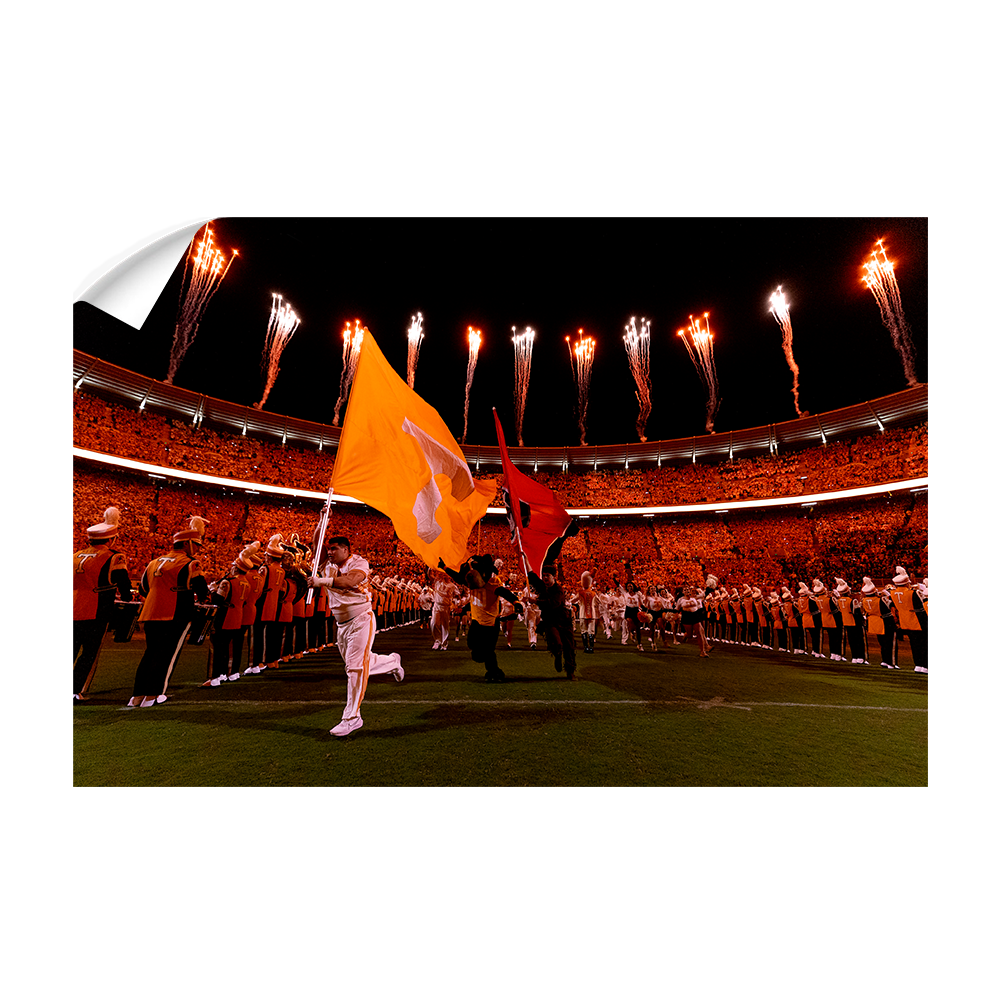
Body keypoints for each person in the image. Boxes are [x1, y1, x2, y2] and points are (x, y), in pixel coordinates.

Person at [308, 535, 404, 736]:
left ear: (346, 549)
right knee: (360, 663)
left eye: (335, 549)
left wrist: (321, 581)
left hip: (361, 618)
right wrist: (320, 521)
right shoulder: (326, 563)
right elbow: (317, 547)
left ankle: (352, 718)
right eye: (329, 549)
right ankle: (392, 662)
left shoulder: (359, 562)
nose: (331, 552)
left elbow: (349, 581)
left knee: (354, 668)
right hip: (341, 624)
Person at [127, 516, 211, 708]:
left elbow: (142, 589)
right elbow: (202, 590)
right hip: (176, 613)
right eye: (196, 545)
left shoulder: (154, 562)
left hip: (150, 613)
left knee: (150, 653)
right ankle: (154, 695)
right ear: (188, 544)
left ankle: (137, 696)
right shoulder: (191, 563)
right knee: (166, 655)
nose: (197, 549)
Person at [73, 506, 133, 701]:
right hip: (96, 610)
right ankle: (75, 690)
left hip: (72, 607)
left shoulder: (76, 556)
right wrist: (126, 597)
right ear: (111, 539)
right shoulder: (114, 556)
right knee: (89, 654)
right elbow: (122, 582)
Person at [439, 554, 523, 681]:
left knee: (488, 651)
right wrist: (444, 567)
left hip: (490, 624)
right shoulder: (472, 582)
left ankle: (495, 673)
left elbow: (505, 593)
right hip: (476, 621)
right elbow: (458, 577)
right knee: (474, 649)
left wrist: (516, 602)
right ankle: (492, 668)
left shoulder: (492, 584)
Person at [529, 563, 578, 679]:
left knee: (569, 647)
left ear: (553, 577)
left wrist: (536, 601)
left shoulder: (558, 590)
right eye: (544, 575)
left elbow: (553, 604)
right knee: (556, 642)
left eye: (548, 575)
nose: (545, 578)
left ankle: (570, 671)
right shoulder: (542, 587)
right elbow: (532, 576)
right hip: (550, 621)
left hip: (564, 621)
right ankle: (557, 654)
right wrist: (525, 558)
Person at [889, 566, 927, 672]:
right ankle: (925, 665)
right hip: (918, 621)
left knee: (914, 645)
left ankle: (918, 664)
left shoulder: (893, 593)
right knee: (924, 643)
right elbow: (922, 606)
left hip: (905, 621)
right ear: (906, 582)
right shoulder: (913, 593)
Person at [861, 576, 897, 668]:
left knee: (882, 643)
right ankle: (891, 662)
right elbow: (891, 604)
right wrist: (888, 595)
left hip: (874, 622)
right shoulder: (881, 599)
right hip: (885, 622)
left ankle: (884, 660)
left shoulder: (864, 600)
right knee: (890, 643)